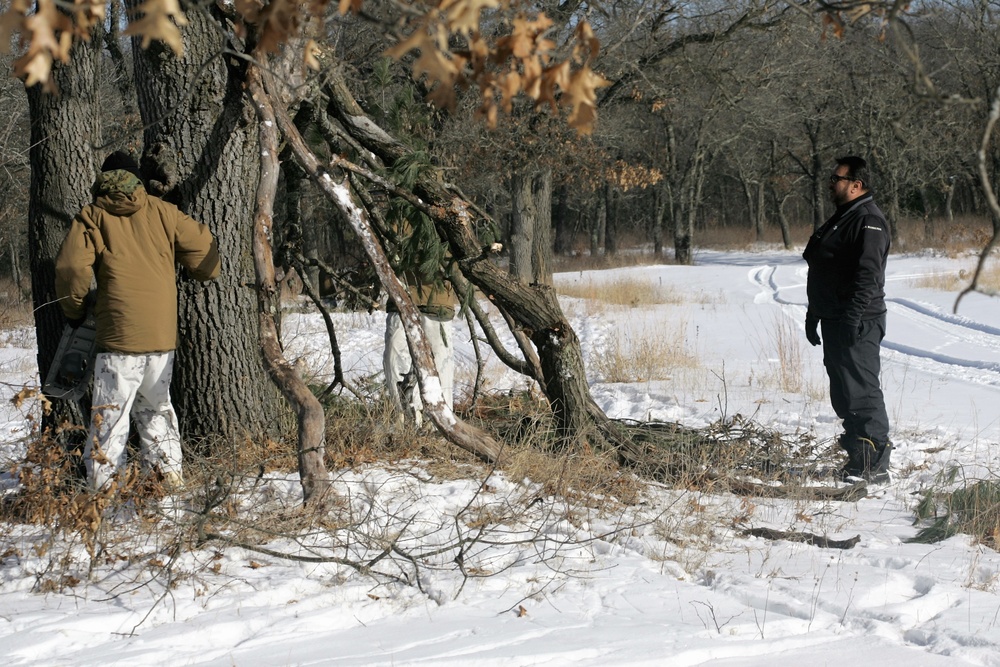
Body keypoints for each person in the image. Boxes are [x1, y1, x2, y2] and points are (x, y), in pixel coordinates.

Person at [55, 151, 220, 492]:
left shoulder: (92, 216)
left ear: (102, 180)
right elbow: (204, 250)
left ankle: (104, 501)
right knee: (157, 412)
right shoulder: (163, 211)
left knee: (110, 424)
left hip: (118, 342)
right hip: (161, 338)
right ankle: (167, 492)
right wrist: (203, 271)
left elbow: (71, 269)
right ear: (138, 181)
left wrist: (75, 311)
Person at [803, 155, 892, 482]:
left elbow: (867, 276)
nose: (831, 183)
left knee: (862, 391)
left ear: (857, 185)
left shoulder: (868, 220)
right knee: (844, 392)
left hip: (858, 321)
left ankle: (875, 466)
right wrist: (816, 313)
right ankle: (858, 459)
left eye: (837, 178)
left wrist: (852, 319)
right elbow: (827, 268)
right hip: (836, 318)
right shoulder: (845, 216)